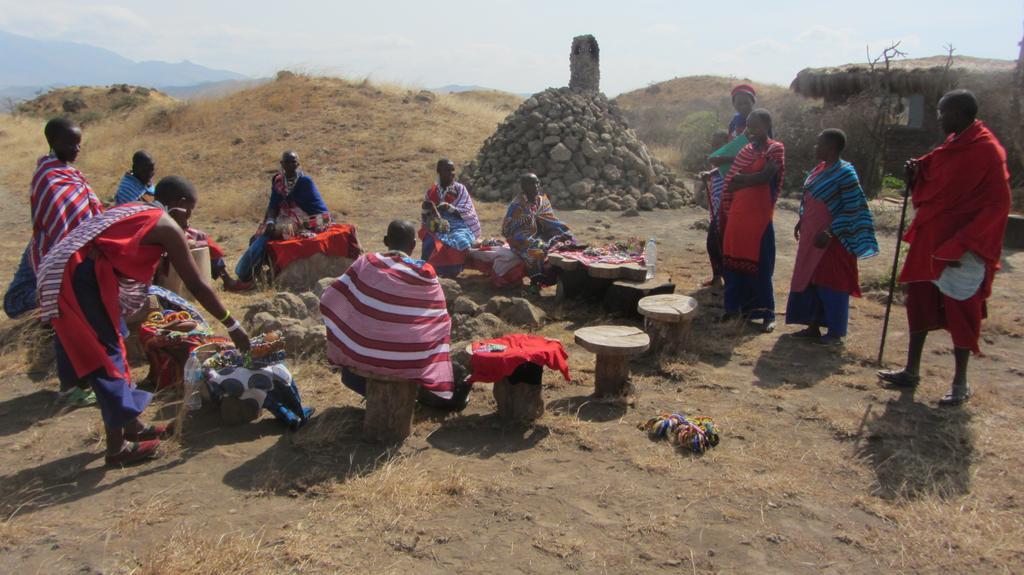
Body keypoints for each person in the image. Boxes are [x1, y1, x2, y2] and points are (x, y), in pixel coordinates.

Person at [37, 176, 251, 465]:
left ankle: (131, 426)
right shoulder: (163, 223)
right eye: (190, 211)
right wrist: (233, 325)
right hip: (78, 277)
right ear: (181, 204)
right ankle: (117, 449)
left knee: (116, 345)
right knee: (106, 355)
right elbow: (198, 285)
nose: (189, 219)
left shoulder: (140, 209)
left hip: (77, 272)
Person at [878, 90, 1011, 406]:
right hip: (932, 242)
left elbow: (997, 205)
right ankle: (911, 370)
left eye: (942, 112)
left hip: (961, 250)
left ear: (959, 112)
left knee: (962, 312)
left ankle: (960, 381)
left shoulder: (987, 151)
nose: (938, 117)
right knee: (920, 303)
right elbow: (932, 173)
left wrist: (964, 244)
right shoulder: (953, 146)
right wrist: (916, 169)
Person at [320, 220, 470, 411]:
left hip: (363, 361)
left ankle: (383, 399)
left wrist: (354, 326)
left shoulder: (367, 263)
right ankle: (414, 397)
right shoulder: (425, 273)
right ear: (414, 246)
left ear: (385, 241)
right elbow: (440, 322)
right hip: (411, 363)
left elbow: (328, 300)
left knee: (348, 374)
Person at [786, 129, 879, 346]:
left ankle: (835, 332)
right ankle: (813, 325)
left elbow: (852, 208)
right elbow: (810, 200)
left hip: (834, 241)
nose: (816, 148)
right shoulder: (820, 170)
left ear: (833, 147)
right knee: (811, 280)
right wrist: (802, 220)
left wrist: (829, 231)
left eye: (820, 144)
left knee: (831, 282)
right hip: (812, 237)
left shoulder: (845, 173)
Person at [719, 109, 785, 332]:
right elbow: (731, 183)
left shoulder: (775, 149)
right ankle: (733, 310)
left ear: (766, 125)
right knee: (733, 263)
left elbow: (766, 176)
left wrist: (743, 180)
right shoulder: (746, 151)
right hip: (737, 215)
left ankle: (768, 314)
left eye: (754, 126)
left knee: (760, 265)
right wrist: (747, 180)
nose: (750, 131)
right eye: (748, 126)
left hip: (759, 217)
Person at [233, 150, 331, 287]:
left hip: (313, 221)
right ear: (282, 164)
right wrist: (271, 221)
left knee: (270, 233)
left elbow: (323, 215)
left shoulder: (305, 182)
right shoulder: (278, 180)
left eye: (294, 162)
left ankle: (244, 275)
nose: (291, 165)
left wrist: (281, 225)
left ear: (299, 164)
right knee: (260, 234)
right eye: (288, 162)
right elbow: (273, 205)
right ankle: (254, 274)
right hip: (287, 219)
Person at [501, 173, 574, 288]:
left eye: (537, 183)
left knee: (567, 237)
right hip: (521, 238)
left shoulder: (542, 201)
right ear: (524, 187)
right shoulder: (517, 205)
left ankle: (562, 277)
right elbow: (507, 229)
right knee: (535, 250)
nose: (536, 186)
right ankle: (535, 283)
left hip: (542, 234)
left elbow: (551, 221)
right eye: (531, 184)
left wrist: (562, 231)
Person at [419, 159, 480, 278]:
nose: (451, 173)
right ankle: (428, 269)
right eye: (447, 170)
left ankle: (452, 270)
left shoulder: (460, 189)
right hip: (437, 225)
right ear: (439, 171)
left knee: (460, 242)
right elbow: (426, 214)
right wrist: (434, 216)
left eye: (452, 170)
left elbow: (467, 211)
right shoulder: (431, 192)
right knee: (429, 239)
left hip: (459, 225)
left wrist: (449, 208)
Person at [699, 130, 731, 288]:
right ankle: (717, 276)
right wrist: (709, 174)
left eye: (719, 145)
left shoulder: (731, 159)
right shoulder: (718, 160)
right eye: (714, 145)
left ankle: (726, 278)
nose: (715, 148)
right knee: (713, 243)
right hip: (716, 205)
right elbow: (718, 170)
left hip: (725, 208)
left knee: (719, 243)